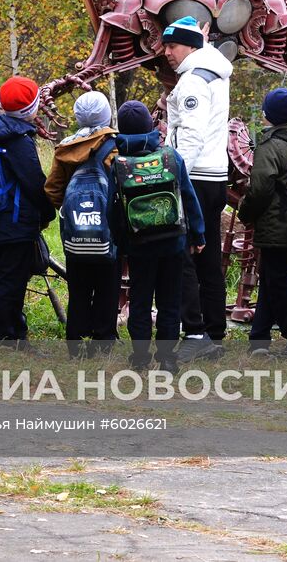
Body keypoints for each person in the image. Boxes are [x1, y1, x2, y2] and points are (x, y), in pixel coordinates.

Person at [161, 15, 233, 358]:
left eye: (172, 45)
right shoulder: (216, 72)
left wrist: (174, 176)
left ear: (191, 45)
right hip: (215, 175)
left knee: (185, 255)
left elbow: (190, 133)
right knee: (210, 258)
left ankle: (194, 334)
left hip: (194, 176)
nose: (166, 52)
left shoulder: (193, 80)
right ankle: (214, 330)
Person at [116, 100, 204, 372]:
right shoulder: (170, 156)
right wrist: (198, 234)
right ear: (150, 126)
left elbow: (114, 207)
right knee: (169, 300)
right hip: (173, 243)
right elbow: (189, 197)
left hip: (139, 245)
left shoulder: (119, 163)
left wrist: (121, 243)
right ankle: (167, 358)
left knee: (140, 300)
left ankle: (140, 357)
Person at [237, 88, 287, 357]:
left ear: (270, 115)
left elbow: (259, 189)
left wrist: (244, 212)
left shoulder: (271, 146)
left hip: (277, 226)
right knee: (273, 279)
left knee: (277, 282)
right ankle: (258, 339)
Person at [0, 76, 55, 341]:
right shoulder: (18, 140)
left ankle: (12, 330)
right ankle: (5, 334)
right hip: (17, 220)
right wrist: (48, 211)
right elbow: (34, 183)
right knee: (13, 281)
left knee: (7, 278)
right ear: (30, 110)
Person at [44, 91, 120, 346]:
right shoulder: (114, 146)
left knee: (78, 286)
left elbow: (53, 190)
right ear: (107, 114)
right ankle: (104, 338)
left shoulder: (65, 148)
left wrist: (70, 212)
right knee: (108, 286)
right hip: (109, 230)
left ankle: (75, 337)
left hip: (76, 230)